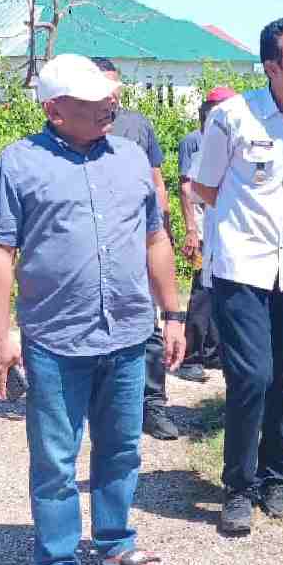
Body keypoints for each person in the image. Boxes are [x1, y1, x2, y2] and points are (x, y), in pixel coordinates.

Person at [0, 53, 185, 565]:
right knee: (56, 459)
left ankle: (115, 542)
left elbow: (155, 238)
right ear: (55, 110)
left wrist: (173, 312)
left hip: (128, 334)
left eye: (108, 98)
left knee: (122, 448)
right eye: (92, 103)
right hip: (55, 339)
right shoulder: (19, 163)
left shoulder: (131, 157)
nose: (108, 106)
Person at [191, 17, 283, 535]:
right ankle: (238, 487)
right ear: (272, 67)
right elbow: (205, 188)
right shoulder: (232, 117)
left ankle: (276, 480)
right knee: (251, 378)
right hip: (242, 267)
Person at [92, 57, 179, 441]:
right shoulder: (75, 124)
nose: (111, 95)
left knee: (149, 324)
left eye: (115, 86)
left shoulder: (137, 125)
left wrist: (162, 230)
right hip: (96, 244)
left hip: (139, 238)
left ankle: (152, 404)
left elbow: (157, 182)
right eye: (103, 86)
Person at [174, 86, 236, 382]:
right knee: (201, 288)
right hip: (202, 225)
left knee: (221, 288)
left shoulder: (236, 138)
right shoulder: (193, 141)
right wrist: (191, 229)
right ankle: (190, 356)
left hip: (227, 225)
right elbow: (186, 186)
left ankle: (212, 352)